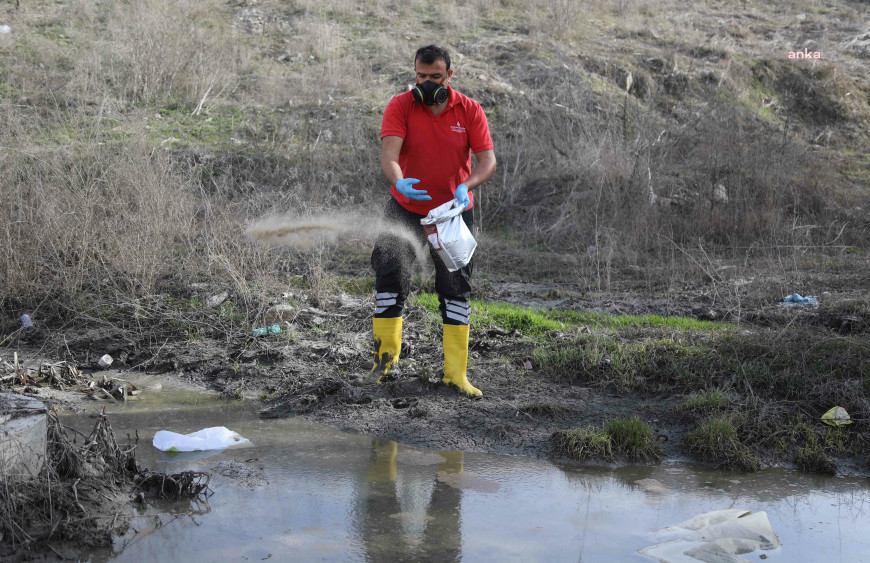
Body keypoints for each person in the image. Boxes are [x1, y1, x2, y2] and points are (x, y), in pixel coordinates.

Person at [360, 44, 496, 397]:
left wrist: (468, 186)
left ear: (450, 76)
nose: (426, 84)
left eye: (435, 77)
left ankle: (456, 375)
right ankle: (384, 364)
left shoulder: (469, 110)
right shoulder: (400, 105)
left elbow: (487, 161)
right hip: (404, 209)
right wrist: (397, 179)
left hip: (452, 213)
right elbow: (389, 155)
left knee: (455, 288)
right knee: (389, 280)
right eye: (421, 77)